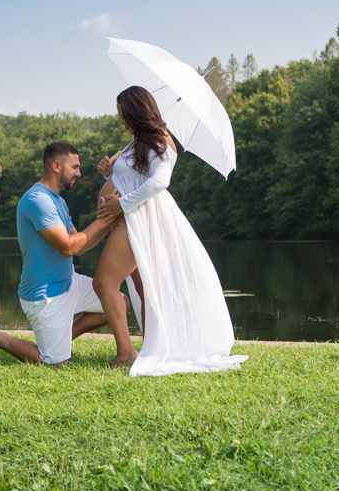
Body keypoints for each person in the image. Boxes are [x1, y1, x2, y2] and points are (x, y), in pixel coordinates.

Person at [92, 85, 248, 376]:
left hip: (141, 220)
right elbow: (135, 176)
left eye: (125, 116)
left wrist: (121, 205)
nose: (122, 122)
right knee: (142, 288)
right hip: (132, 218)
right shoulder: (138, 142)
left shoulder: (160, 142)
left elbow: (159, 182)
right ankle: (151, 346)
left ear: (137, 113)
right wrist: (109, 172)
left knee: (103, 283)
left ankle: (126, 352)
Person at [0, 141, 127, 366]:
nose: (79, 173)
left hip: (68, 282)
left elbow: (80, 244)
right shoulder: (38, 200)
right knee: (55, 364)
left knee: (119, 303)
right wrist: (107, 217)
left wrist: (109, 218)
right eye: (74, 167)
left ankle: (60, 339)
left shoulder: (58, 201)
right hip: (45, 295)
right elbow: (68, 247)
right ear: (56, 166)